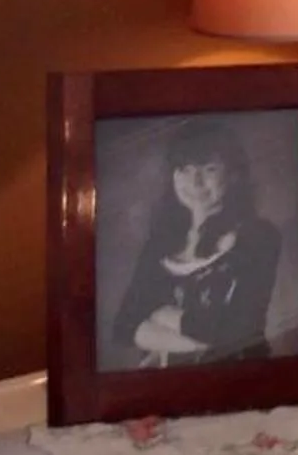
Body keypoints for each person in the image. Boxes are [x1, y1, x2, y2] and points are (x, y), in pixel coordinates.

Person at [113, 118, 283, 367]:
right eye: (184, 169)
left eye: (209, 169)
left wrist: (161, 315)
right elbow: (124, 326)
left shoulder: (259, 237)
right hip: (168, 389)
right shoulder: (158, 245)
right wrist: (205, 338)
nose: (195, 182)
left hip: (239, 381)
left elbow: (240, 332)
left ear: (234, 174)